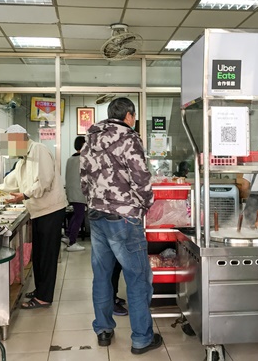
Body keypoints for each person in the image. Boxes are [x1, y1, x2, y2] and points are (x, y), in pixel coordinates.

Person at [80, 97, 163, 354]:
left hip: (96, 215)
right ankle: (141, 338)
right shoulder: (130, 138)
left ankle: (103, 329)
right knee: (137, 278)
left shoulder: (90, 138)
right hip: (125, 217)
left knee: (102, 275)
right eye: (134, 116)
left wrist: (94, 201)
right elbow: (141, 178)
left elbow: (83, 178)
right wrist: (144, 205)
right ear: (129, 115)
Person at [0, 124, 68, 309]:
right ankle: (40, 289)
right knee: (39, 254)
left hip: (51, 210)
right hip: (38, 211)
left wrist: (24, 195)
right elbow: (5, 187)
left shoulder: (39, 150)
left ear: (20, 140)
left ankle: (44, 297)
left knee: (47, 255)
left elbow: (45, 180)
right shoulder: (22, 162)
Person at [63, 136, 87, 252]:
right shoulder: (83, 159)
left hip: (71, 192)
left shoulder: (70, 159)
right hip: (79, 193)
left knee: (76, 214)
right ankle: (72, 242)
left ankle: (68, 235)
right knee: (79, 216)